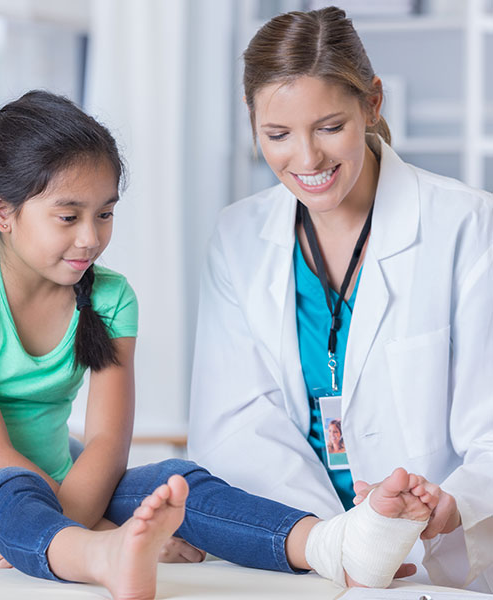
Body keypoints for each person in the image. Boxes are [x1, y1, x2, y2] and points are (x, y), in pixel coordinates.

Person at [0, 90, 438, 600]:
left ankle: (333, 545)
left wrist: (43, 532)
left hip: (45, 493)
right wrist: (65, 532)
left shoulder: (111, 298)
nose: (90, 238)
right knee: (5, 491)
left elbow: (108, 446)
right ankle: (101, 556)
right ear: (0, 211)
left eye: (105, 214)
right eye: (67, 216)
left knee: (170, 479)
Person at [187, 6, 493, 592]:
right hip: (303, 551)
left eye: (329, 127)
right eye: (277, 135)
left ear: (372, 104)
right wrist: (333, 539)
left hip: (434, 563)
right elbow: (232, 426)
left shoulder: (466, 224)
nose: (307, 160)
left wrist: (451, 503)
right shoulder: (236, 236)